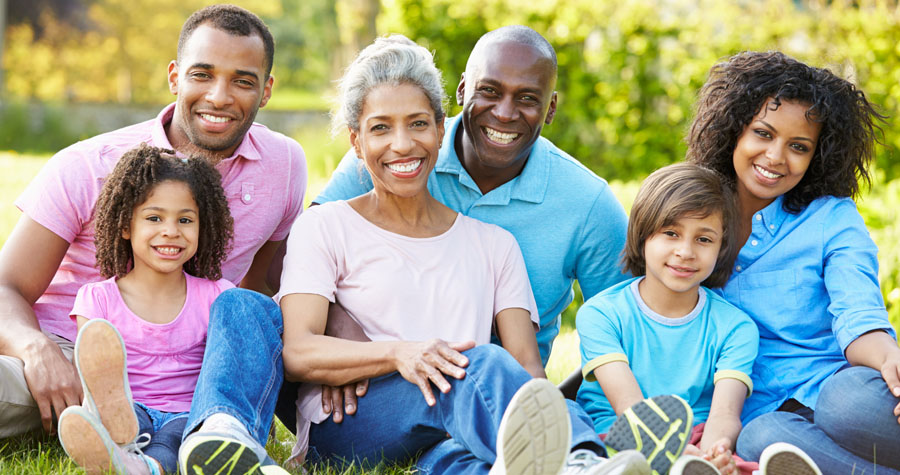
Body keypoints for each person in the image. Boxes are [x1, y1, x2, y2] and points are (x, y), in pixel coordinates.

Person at [177, 35, 652, 475]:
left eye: (419, 124)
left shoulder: (494, 244)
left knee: (467, 452)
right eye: (381, 128)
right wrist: (398, 355)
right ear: (356, 143)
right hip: (353, 422)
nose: (402, 144)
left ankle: (576, 462)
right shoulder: (326, 225)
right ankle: (578, 462)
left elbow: (527, 367)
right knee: (477, 365)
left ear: (441, 130)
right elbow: (298, 351)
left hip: (454, 421)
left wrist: (536, 400)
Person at [0, 4, 306, 438]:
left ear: (267, 89)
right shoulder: (90, 165)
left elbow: (257, 288)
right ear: (174, 77)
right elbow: (4, 286)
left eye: (242, 80)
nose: (219, 96)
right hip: (72, 354)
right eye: (202, 74)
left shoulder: (285, 164)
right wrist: (36, 351)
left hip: (188, 372)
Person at [313, 25, 629, 372]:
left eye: (527, 98)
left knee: (493, 369)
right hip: (383, 376)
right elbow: (298, 255)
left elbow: (629, 331)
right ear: (463, 90)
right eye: (489, 91)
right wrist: (342, 331)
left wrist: (562, 403)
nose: (505, 113)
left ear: (550, 108)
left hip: (507, 393)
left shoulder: (589, 203)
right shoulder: (397, 155)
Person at [688, 51, 900, 473]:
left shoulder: (830, 218)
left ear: (818, 155)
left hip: (839, 392)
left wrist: (889, 359)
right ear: (733, 130)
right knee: (761, 440)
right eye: (763, 133)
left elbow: (858, 314)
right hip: (764, 413)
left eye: (798, 146)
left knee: (846, 402)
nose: (775, 156)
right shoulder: (691, 218)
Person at [56, 144, 234, 475]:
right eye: (154, 218)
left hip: (189, 413)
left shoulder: (219, 297)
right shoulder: (97, 299)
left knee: (176, 440)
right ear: (126, 226)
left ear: (202, 227)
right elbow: (89, 370)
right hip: (128, 407)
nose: (171, 231)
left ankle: (139, 466)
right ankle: (111, 432)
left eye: (185, 219)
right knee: (123, 419)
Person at [575, 163, 760, 475]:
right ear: (643, 235)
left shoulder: (736, 328)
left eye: (704, 239)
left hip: (697, 436)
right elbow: (627, 405)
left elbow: (725, 412)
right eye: (671, 234)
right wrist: (668, 449)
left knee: (733, 466)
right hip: (620, 435)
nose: (685, 251)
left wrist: (712, 453)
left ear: (721, 246)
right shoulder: (600, 315)